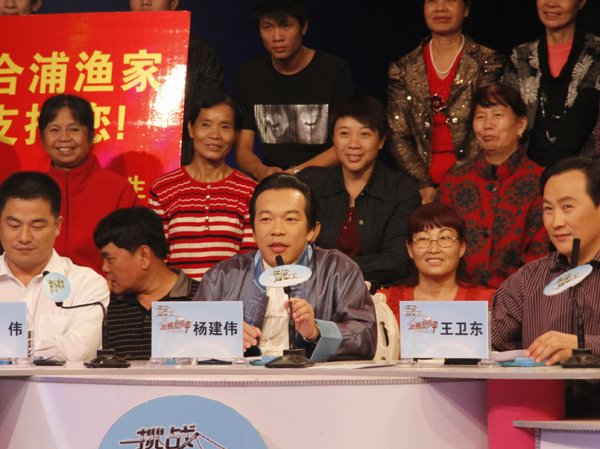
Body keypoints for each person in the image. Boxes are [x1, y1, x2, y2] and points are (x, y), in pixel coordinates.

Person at [193, 173, 376, 361]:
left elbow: (365, 336)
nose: (277, 230)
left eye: (290, 219)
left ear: (312, 231)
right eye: (266, 219)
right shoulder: (224, 275)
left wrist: (316, 331)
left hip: (311, 378)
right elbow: (186, 334)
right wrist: (223, 337)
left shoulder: (339, 271)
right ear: (253, 231)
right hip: (242, 378)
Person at [491, 156, 600, 418]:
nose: (556, 222)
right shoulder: (527, 280)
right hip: (540, 421)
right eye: (548, 209)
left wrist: (585, 346)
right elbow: (488, 346)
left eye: (567, 207)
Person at [387, 0, 505, 204]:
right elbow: (398, 134)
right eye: (432, 1)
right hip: (419, 187)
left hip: (477, 179)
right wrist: (423, 185)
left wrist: (453, 184)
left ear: (466, 9)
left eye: (449, 0)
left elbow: (489, 126)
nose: (440, 8)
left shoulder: (488, 62)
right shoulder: (403, 68)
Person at [299, 94, 421, 287]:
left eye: (364, 134)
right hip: (313, 291)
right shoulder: (311, 185)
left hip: (379, 294)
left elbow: (398, 261)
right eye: (344, 134)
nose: (353, 144)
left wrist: (331, 268)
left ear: (381, 140)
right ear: (333, 138)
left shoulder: (402, 190)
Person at [436, 84, 548, 288]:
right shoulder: (454, 181)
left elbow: (542, 256)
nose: (487, 125)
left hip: (521, 297)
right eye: (480, 116)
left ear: (521, 124)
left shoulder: (541, 182)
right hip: (457, 296)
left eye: (497, 115)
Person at [234, 0, 354, 181]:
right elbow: (243, 149)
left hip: (326, 180)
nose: (277, 37)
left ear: (303, 27)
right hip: (273, 179)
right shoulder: (250, 75)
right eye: (267, 27)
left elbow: (345, 142)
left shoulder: (334, 71)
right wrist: (260, 171)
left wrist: (297, 172)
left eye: (285, 26)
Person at [0, 172, 109, 361]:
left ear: (57, 226)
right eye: (14, 225)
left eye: (37, 227)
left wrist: (8, 350)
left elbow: (80, 350)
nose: (24, 237)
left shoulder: (86, 284)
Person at [149, 93, 257, 281]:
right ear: (191, 128)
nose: (215, 135)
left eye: (225, 127)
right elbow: (158, 258)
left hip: (230, 295)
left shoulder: (249, 190)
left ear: (235, 134)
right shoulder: (163, 189)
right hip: (178, 295)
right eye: (205, 125)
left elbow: (250, 259)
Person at [41, 94, 140, 275]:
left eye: (74, 129)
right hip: (37, 289)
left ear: (90, 135)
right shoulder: (30, 190)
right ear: (42, 136)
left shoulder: (118, 189)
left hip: (103, 290)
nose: (64, 138)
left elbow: (133, 256)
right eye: (54, 130)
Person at [94, 207, 199, 360]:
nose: (105, 268)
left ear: (144, 256)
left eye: (110, 259)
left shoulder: (204, 299)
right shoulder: (104, 304)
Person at [504, 0, 600, 168]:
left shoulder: (596, 54)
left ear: (581, 2)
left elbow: (579, 127)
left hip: (585, 172)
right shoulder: (520, 56)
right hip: (525, 171)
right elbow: (507, 120)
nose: (551, 3)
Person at [129, 0, 225, 166]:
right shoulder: (106, 52)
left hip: (179, 163)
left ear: (173, 3)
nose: (145, 2)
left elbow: (206, 118)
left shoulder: (198, 53)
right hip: (122, 159)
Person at [385, 203, 495, 325]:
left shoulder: (486, 302)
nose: (433, 249)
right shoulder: (385, 302)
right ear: (410, 249)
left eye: (444, 238)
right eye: (423, 239)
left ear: (461, 247)